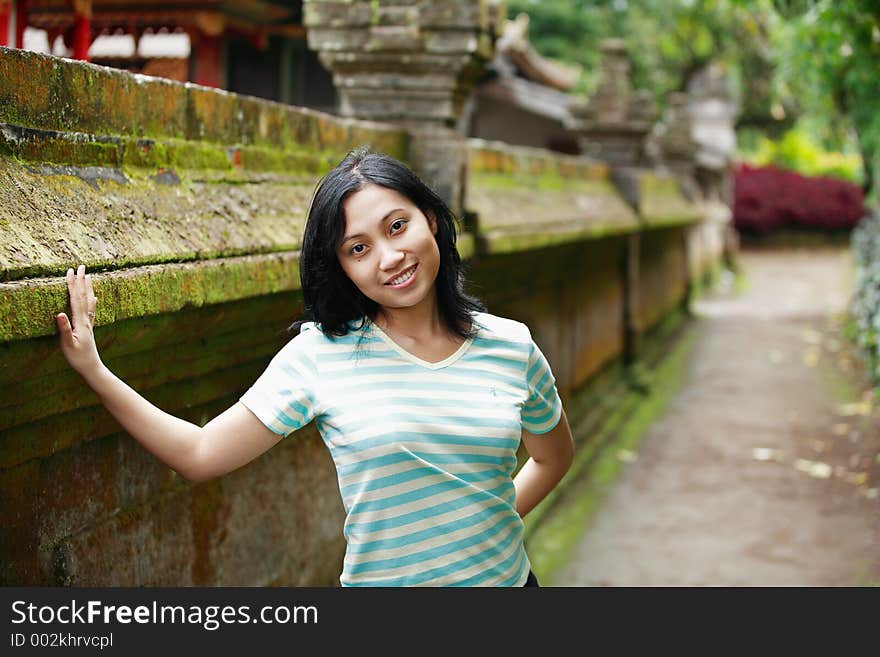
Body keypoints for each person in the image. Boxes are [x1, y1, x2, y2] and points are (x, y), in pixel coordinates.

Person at [57, 147, 575, 587]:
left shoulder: (511, 345)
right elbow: (199, 453)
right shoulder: (321, 356)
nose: (390, 257)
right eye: (358, 248)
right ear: (343, 268)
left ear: (431, 219)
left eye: (398, 226)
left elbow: (552, 460)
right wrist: (94, 369)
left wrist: (481, 536)